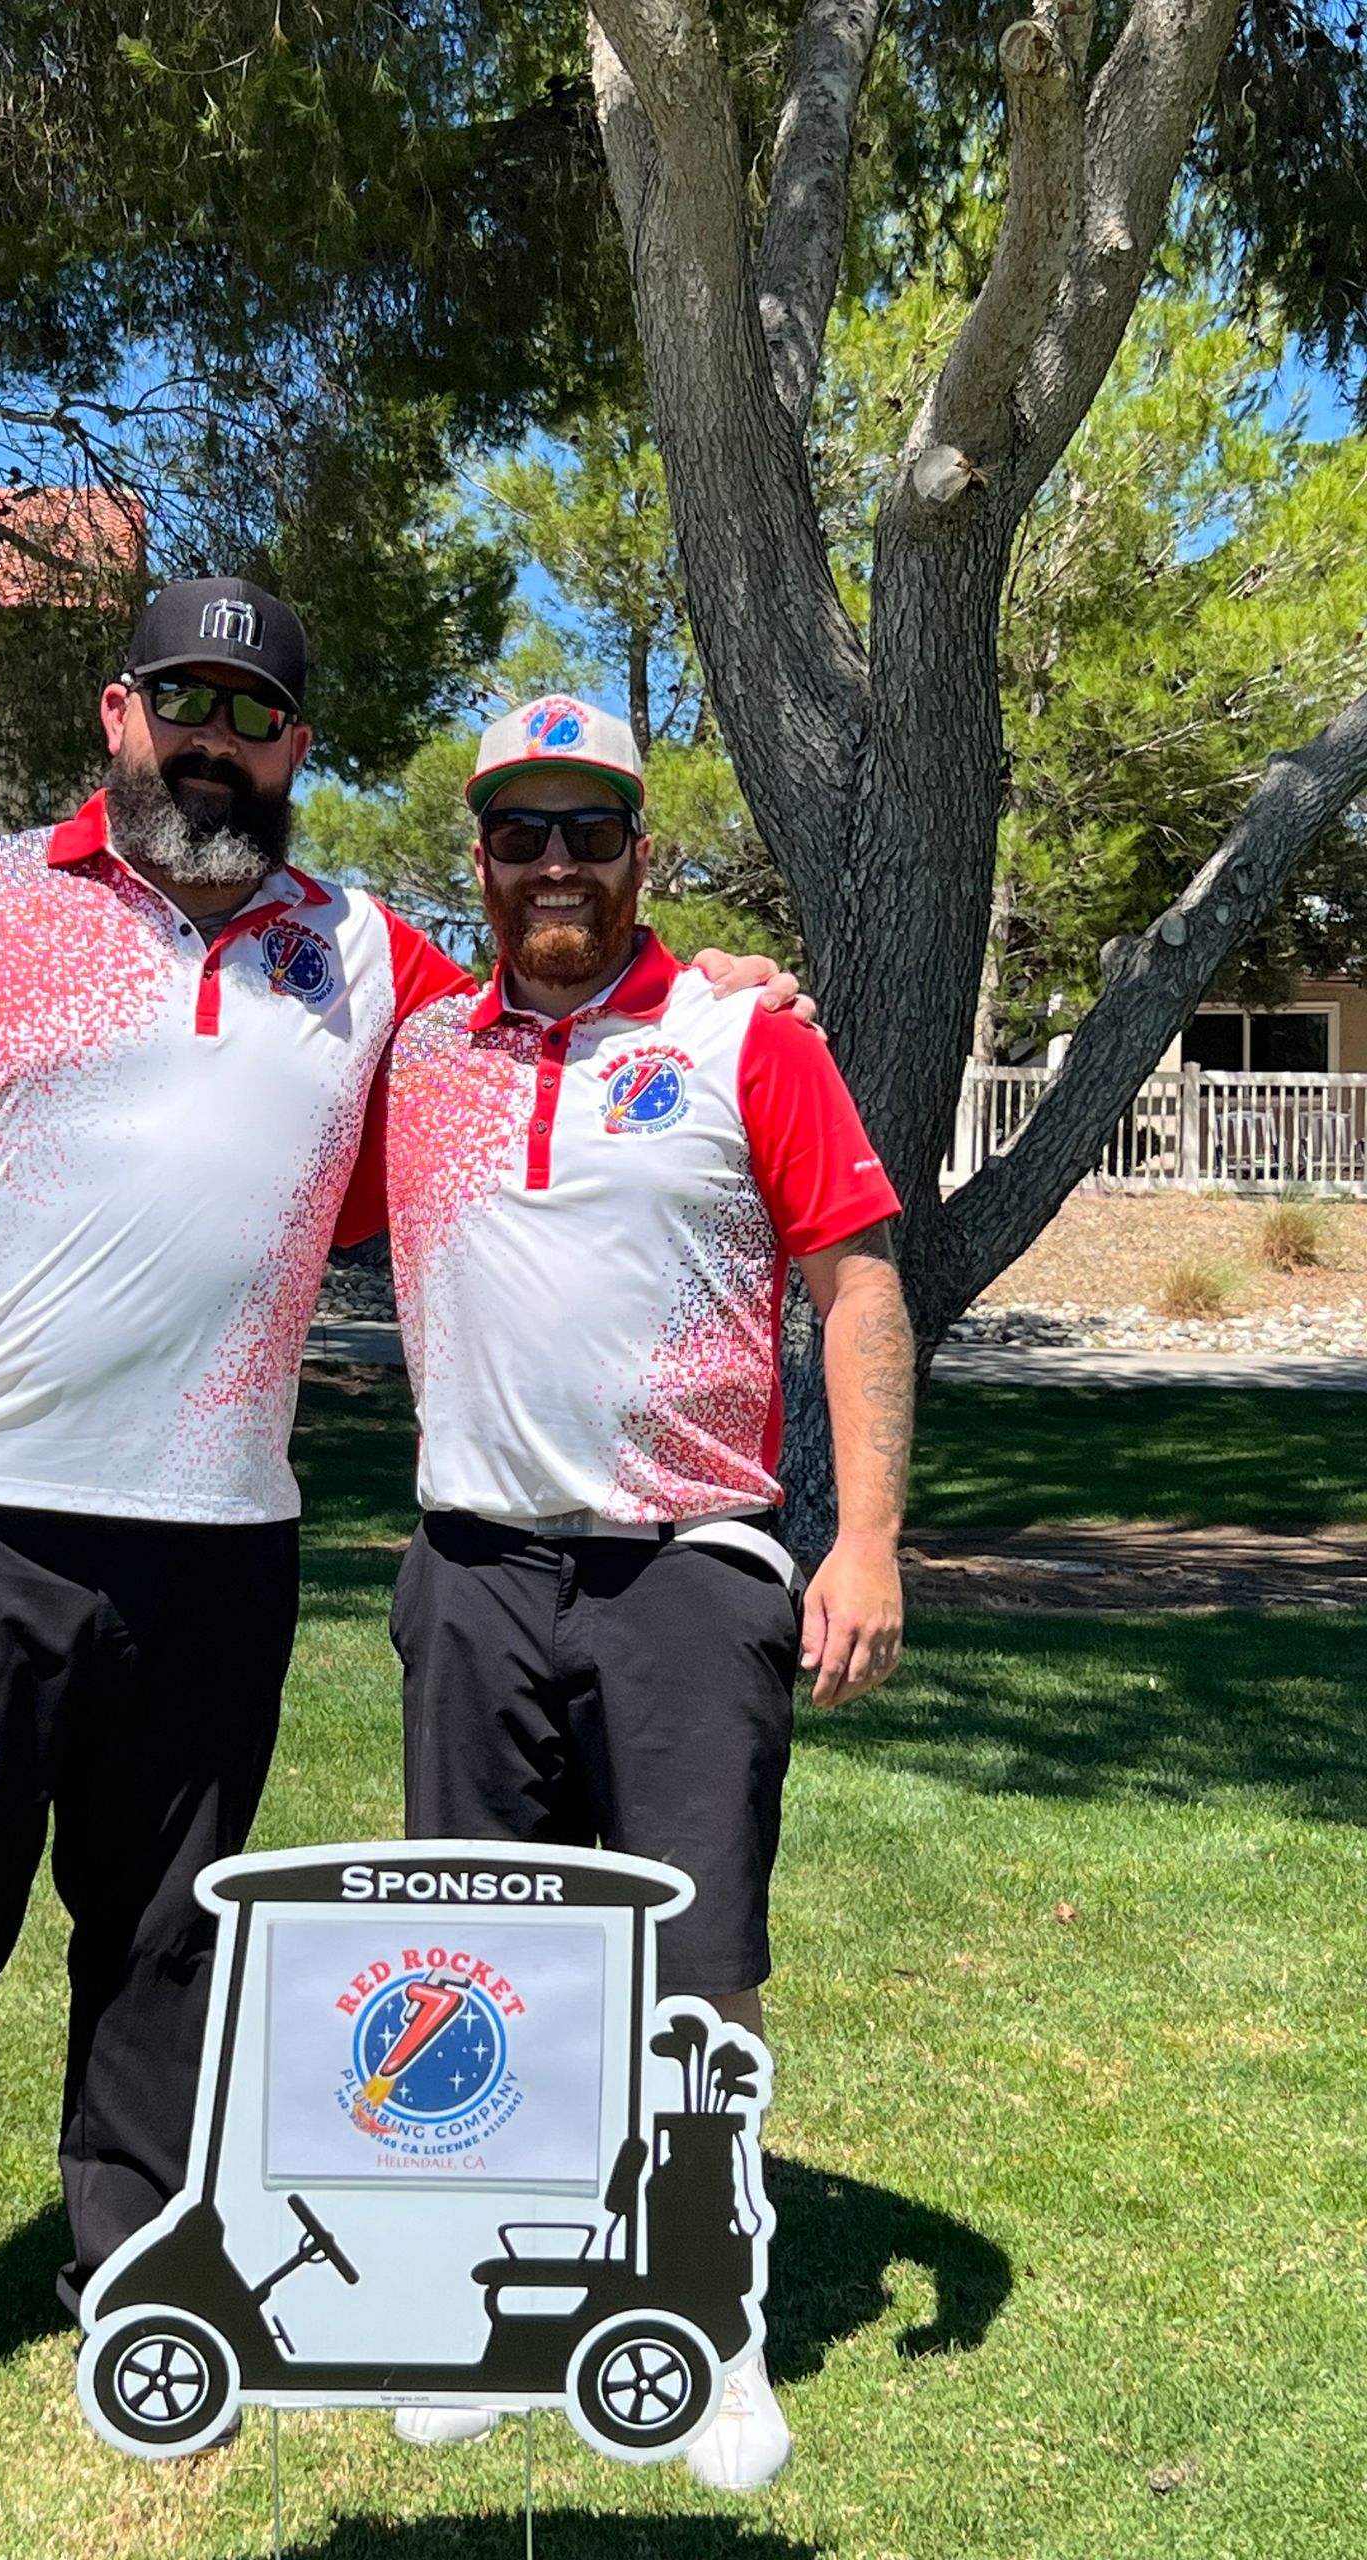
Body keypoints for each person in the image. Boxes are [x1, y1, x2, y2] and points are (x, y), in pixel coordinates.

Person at [0, 587, 805, 2483]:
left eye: (260, 716)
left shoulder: (356, 953)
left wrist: (713, 988)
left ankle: (134, 2267)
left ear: (298, 750)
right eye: (186, 705)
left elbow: (532, 1011)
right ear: (121, 717)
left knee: (164, 1943)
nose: (218, 742)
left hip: (222, 1529)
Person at [374, 694, 916, 2493]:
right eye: (519, 832)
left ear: (641, 857)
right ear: (477, 858)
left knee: (697, 1977)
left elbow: (858, 1289)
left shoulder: (737, 1034)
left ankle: (706, 2317)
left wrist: (865, 1541)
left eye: (588, 832)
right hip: (469, 1564)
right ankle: (476, 2301)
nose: (553, 863)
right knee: (472, 1965)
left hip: (688, 1569)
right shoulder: (418, 1048)